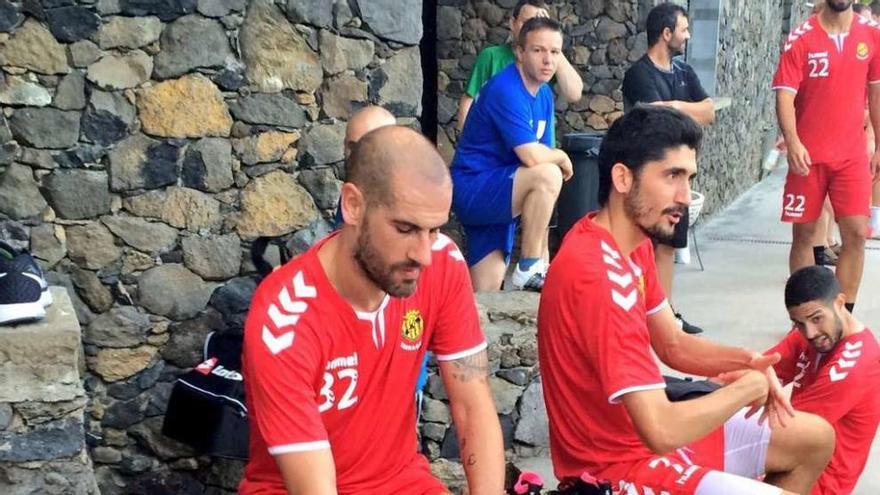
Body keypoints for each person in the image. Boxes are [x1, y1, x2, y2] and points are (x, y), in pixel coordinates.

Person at [538, 105, 835, 495]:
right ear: (623, 178)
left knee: (814, 438)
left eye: (689, 176)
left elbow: (673, 344)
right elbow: (661, 430)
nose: (684, 195)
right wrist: (746, 388)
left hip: (646, 441)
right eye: (671, 176)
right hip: (615, 466)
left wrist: (753, 364)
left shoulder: (629, 242)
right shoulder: (598, 277)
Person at [240, 126, 505, 494]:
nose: (424, 254)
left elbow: (472, 404)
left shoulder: (442, 263)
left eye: (434, 230)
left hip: (403, 482)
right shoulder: (285, 319)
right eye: (406, 228)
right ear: (352, 205)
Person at [772, 0, 880, 313]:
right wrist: (792, 141)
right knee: (804, 234)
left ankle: (842, 321)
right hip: (808, 158)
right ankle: (808, 318)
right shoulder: (801, 38)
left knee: (857, 234)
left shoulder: (871, 35)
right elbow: (784, 94)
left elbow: (876, 93)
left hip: (851, 156)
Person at [451, 17, 573, 292]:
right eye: (538, 50)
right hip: (476, 187)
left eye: (555, 52)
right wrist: (562, 157)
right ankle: (529, 266)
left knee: (487, 296)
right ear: (519, 52)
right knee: (549, 172)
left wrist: (546, 259)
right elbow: (532, 157)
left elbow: (543, 173)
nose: (548, 60)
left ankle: (535, 267)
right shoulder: (505, 88)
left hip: (503, 191)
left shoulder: (543, 95)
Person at [622, 2, 715, 334]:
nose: (688, 36)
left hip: (678, 177)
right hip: (649, 175)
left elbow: (709, 111)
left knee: (669, 244)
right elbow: (655, 119)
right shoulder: (638, 75)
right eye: (684, 29)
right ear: (666, 33)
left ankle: (666, 315)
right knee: (642, 243)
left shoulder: (684, 72)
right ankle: (637, 316)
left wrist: (676, 106)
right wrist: (683, 112)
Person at [764, 266, 880, 495]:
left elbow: (786, 433)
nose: (809, 333)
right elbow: (761, 366)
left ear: (840, 303)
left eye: (817, 318)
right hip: (795, 458)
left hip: (819, 480)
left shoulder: (855, 365)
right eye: (798, 323)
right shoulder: (812, 336)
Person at [455, 0, 583, 131]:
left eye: (539, 24)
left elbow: (574, 94)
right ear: (512, 23)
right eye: (527, 23)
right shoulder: (492, 57)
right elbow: (469, 101)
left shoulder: (548, 61)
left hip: (537, 143)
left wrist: (550, 42)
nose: (533, 29)